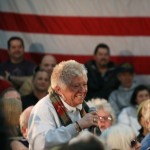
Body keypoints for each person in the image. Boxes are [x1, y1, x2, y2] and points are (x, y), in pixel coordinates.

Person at [28, 60, 99, 150]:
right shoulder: (44, 108)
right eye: (76, 86)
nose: (83, 90)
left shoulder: (86, 107)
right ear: (58, 90)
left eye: (85, 84)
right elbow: (40, 144)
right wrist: (77, 126)